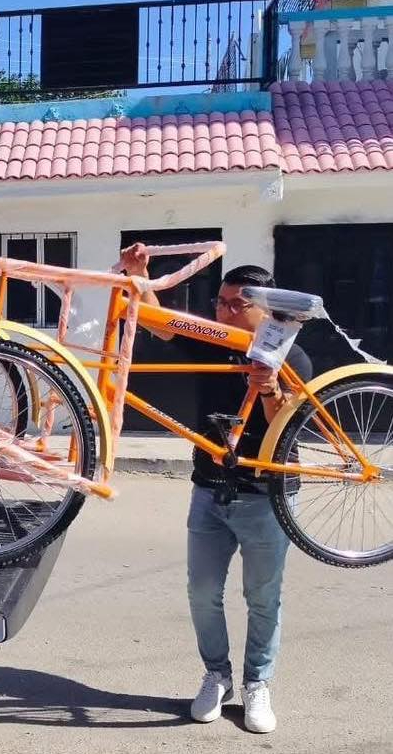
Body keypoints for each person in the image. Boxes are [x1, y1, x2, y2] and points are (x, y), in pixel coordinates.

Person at [119, 245, 313, 734]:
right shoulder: (214, 342)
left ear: (266, 310)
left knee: (262, 597)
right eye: (219, 303)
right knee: (202, 592)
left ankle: (258, 684)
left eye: (234, 305)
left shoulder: (295, 357)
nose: (222, 312)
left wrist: (269, 386)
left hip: (266, 495)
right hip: (209, 489)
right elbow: (160, 322)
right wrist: (141, 275)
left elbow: (283, 429)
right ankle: (216, 675)